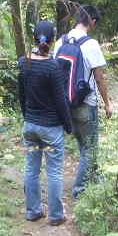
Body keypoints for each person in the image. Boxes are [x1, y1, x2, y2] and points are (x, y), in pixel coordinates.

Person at [54, 5, 113, 199]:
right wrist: (107, 103)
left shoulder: (60, 41)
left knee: (83, 145)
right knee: (90, 148)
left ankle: (93, 179)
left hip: (66, 105)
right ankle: (80, 190)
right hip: (86, 104)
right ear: (92, 22)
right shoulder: (91, 44)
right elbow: (99, 77)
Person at [17, 20, 72, 225]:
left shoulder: (23, 63)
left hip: (30, 127)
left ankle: (33, 211)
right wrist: (68, 125)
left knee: (31, 169)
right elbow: (61, 101)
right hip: (50, 130)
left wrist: (27, 117)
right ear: (52, 39)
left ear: (35, 38)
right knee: (54, 171)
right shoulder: (53, 67)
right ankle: (56, 215)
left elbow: (21, 95)